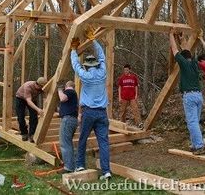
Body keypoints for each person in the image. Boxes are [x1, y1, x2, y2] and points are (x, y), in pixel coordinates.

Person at [70, 29, 112, 180]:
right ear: (96, 64)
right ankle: (106, 171)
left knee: (82, 139)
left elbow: (75, 64)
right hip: (102, 113)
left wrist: (74, 50)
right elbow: (102, 56)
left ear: (87, 65)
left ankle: (80, 164)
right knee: (104, 143)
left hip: (88, 113)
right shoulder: (102, 73)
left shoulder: (85, 76)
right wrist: (93, 40)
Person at [169, 30, 205, 155]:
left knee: (192, 122)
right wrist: (182, 39)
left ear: (183, 59)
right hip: (199, 96)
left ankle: (199, 146)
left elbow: (175, 50)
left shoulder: (183, 63)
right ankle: (195, 144)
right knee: (195, 121)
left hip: (189, 96)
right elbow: (186, 50)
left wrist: (170, 35)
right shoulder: (194, 63)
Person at [15, 77, 47, 142]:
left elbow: (45, 98)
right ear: (37, 84)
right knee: (20, 117)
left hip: (32, 99)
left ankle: (32, 134)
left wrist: (44, 108)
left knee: (34, 117)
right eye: (41, 87)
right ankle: (24, 133)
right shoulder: (28, 86)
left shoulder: (42, 88)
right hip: (21, 98)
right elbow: (29, 101)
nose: (41, 89)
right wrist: (38, 109)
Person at [57, 80, 79, 173]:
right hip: (72, 119)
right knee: (68, 143)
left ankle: (68, 167)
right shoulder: (73, 94)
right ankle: (71, 165)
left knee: (65, 143)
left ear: (67, 86)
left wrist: (59, 89)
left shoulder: (70, 91)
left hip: (68, 119)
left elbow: (62, 98)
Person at [117, 64, 143, 129]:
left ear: (129, 70)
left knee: (135, 109)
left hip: (132, 97)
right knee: (122, 111)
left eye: (127, 70)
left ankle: (139, 123)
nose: (125, 71)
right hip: (124, 97)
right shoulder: (121, 78)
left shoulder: (133, 77)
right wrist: (119, 97)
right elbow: (119, 87)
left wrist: (136, 95)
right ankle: (122, 124)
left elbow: (136, 86)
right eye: (124, 70)